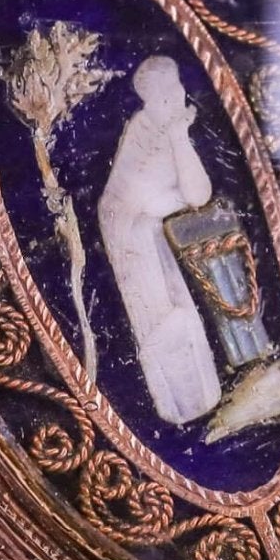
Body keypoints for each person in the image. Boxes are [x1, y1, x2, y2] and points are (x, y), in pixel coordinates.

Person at [97, 56, 221, 426]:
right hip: (132, 239)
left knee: (177, 310)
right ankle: (180, 404)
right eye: (164, 92)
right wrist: (179, 136)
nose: (175, 96)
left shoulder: (163, 125)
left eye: (176, 86)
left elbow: (191, 194)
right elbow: (193, 194)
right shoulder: (148, 129)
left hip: (146, 232)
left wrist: (179, 136)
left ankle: (198, 399)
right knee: (163, 316)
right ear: (150, 99)